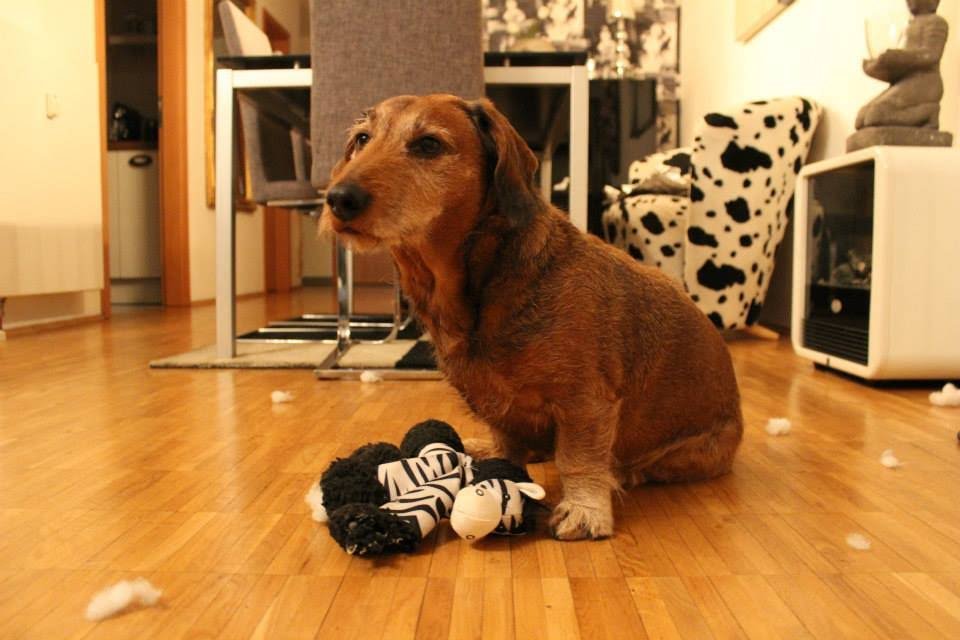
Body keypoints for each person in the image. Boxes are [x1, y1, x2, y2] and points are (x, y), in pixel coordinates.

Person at [856, 0, 949, 130]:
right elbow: (904, 62)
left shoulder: (936, 22)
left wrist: (897, 57)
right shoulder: (909, 25)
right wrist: (878, 66)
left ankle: (927, 113)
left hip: (925, 82)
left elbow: (931, 55)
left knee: (874, 116)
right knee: (861, 118)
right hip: (905, 81)